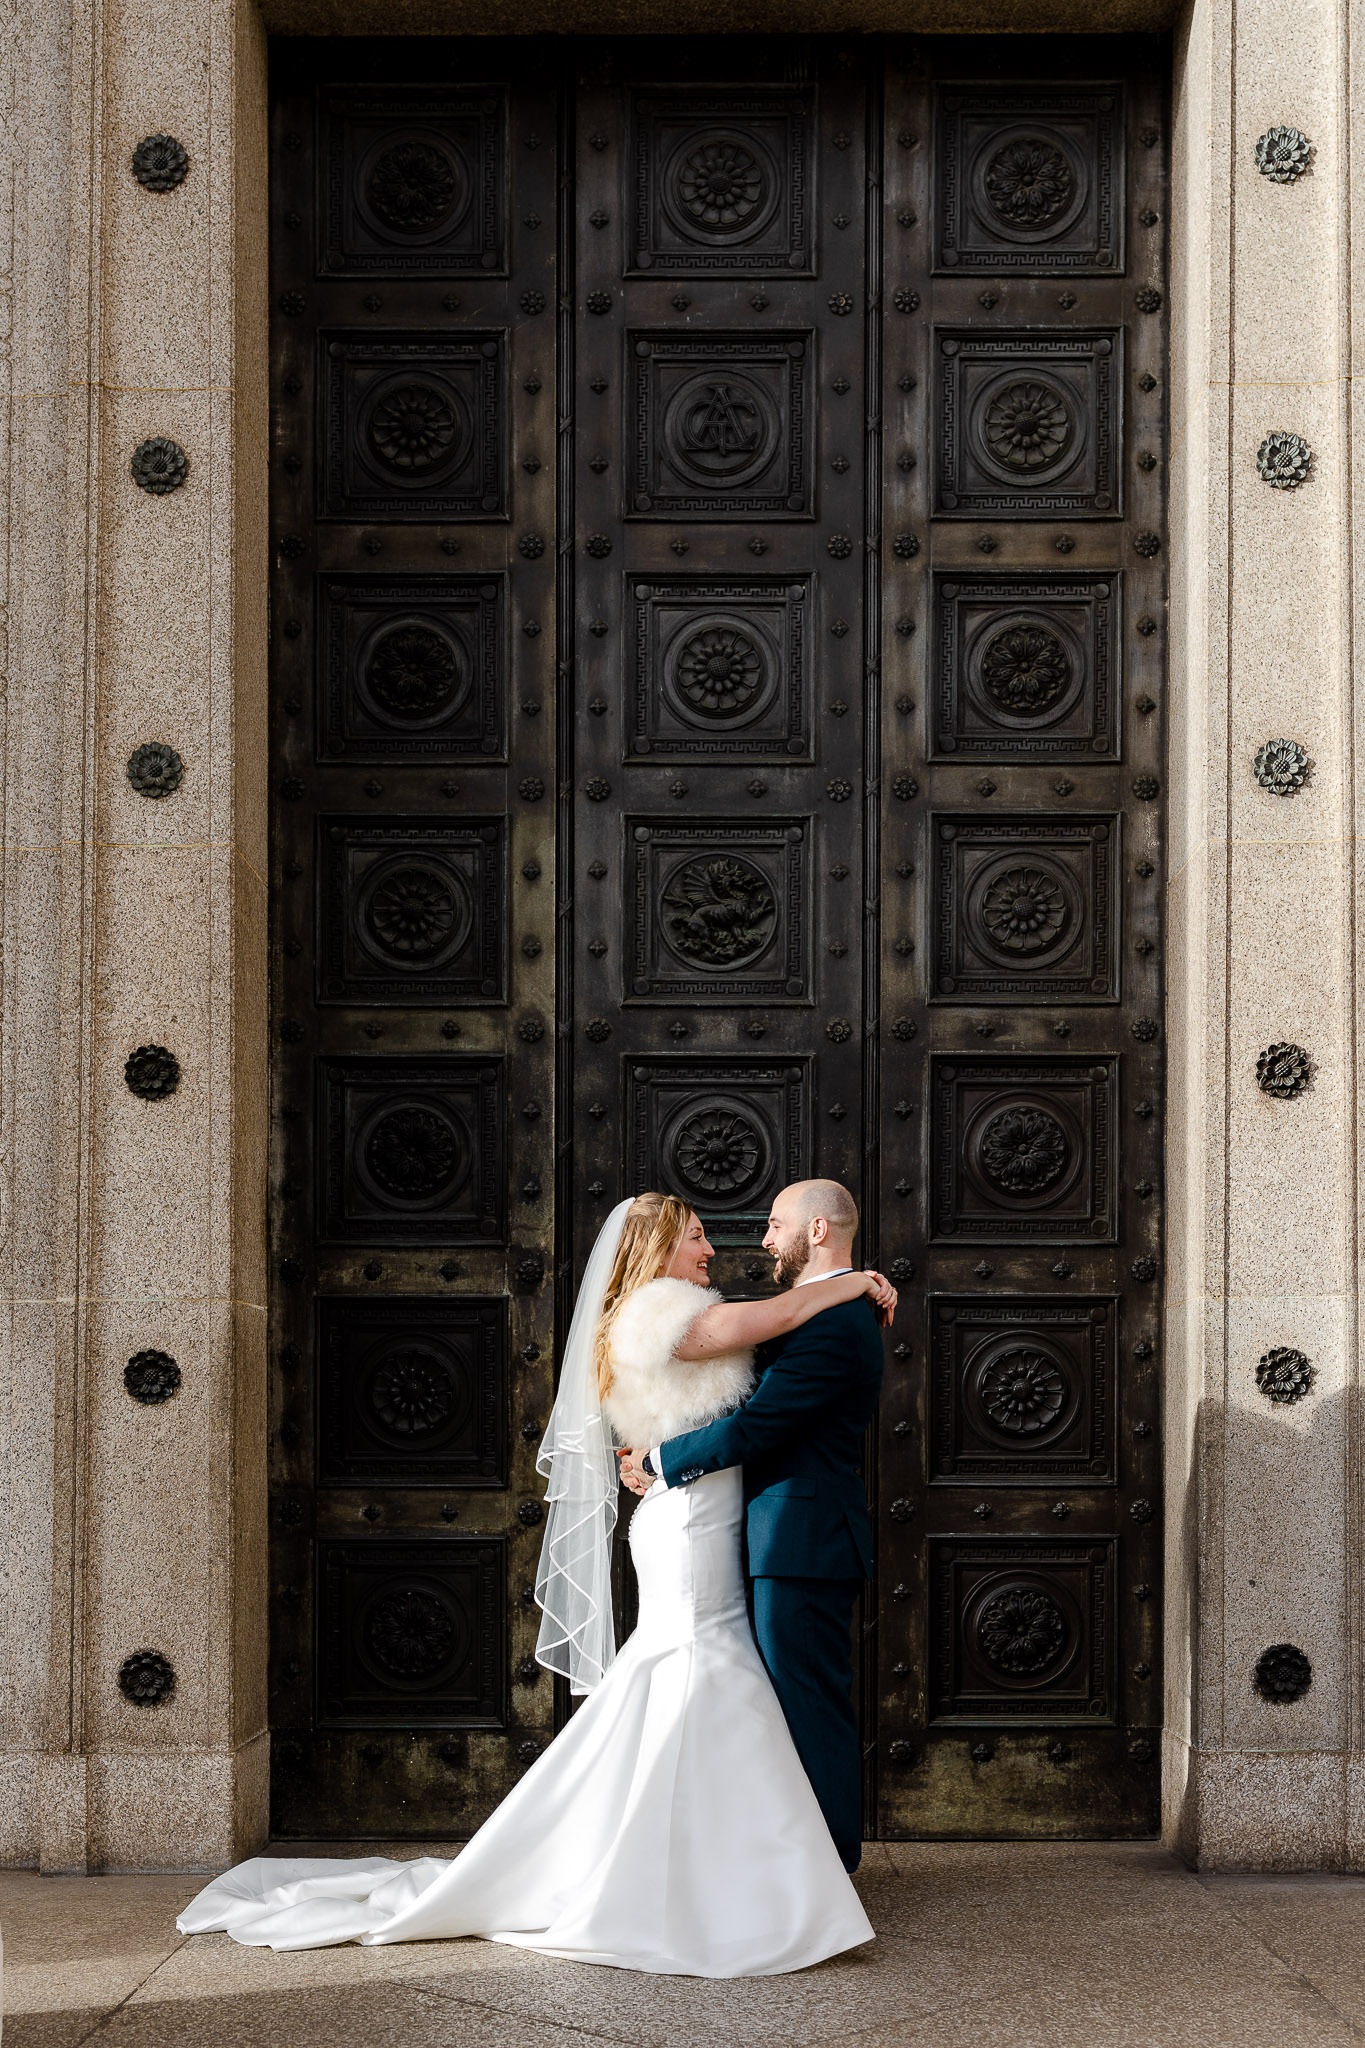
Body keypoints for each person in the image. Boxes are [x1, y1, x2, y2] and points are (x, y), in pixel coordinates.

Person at [175, 1191, 895, 1975]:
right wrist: (853, 1281)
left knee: (708, 1683)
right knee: (696, 1670)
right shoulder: (665, 1312)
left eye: (765, 1228)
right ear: (654, 1249)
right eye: (695, 1237)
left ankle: (742, 1860)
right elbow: (762, 1346)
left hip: (721, 1518)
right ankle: (756, 1868)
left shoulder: (696, 1306)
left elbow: (763, 1368)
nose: (719, 1249)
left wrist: (846, 1287)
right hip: (691, 1521)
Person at [618, 1179, 884, 1875]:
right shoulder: (817, 1310)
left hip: (801, 1541)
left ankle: (827, 1870)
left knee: (807, 1706)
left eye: (773, 1224)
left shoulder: (833, 1318)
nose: (761, 1240)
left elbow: (762, 1423)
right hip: (767, 1535)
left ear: (818, 1230)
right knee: (774, 1703)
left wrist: (664, 1456)